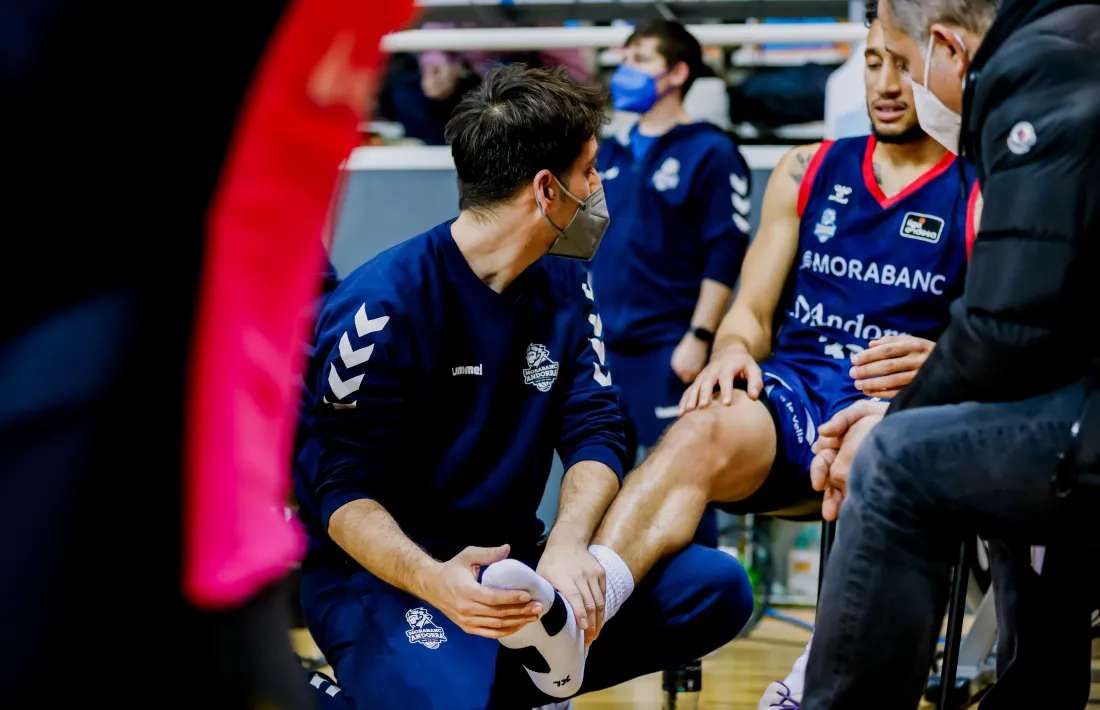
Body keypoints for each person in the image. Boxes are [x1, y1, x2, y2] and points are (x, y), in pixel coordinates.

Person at [293, 63, 753, 710]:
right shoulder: (380, 308)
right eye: (590, 173)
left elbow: (597, 427)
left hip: (518, 566)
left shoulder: (566, 281)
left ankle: (517, 666)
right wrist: (438, 582)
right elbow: (340, 495)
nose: (600, 188)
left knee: (715, 588)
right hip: (388, 576)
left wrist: (567, 545)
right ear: (546, 190)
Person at [799, 0, 1100, 706]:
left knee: (899, 461)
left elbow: (1006, 324)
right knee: (987, 449)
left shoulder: (1039, 69)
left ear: (946, 48)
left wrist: (892, 416)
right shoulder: (1075, 39)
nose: (895, 84)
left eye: (902, 63)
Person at [589, 20, 751, 466]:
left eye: (640, 60)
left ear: (677, 73)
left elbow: (727, 250)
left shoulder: (711, 151)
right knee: (596, 479)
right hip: (605, 346)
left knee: (678, 483)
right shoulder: (609, 151)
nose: (625, 71)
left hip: (670, 347)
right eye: (624, 60)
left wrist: (698, 337)